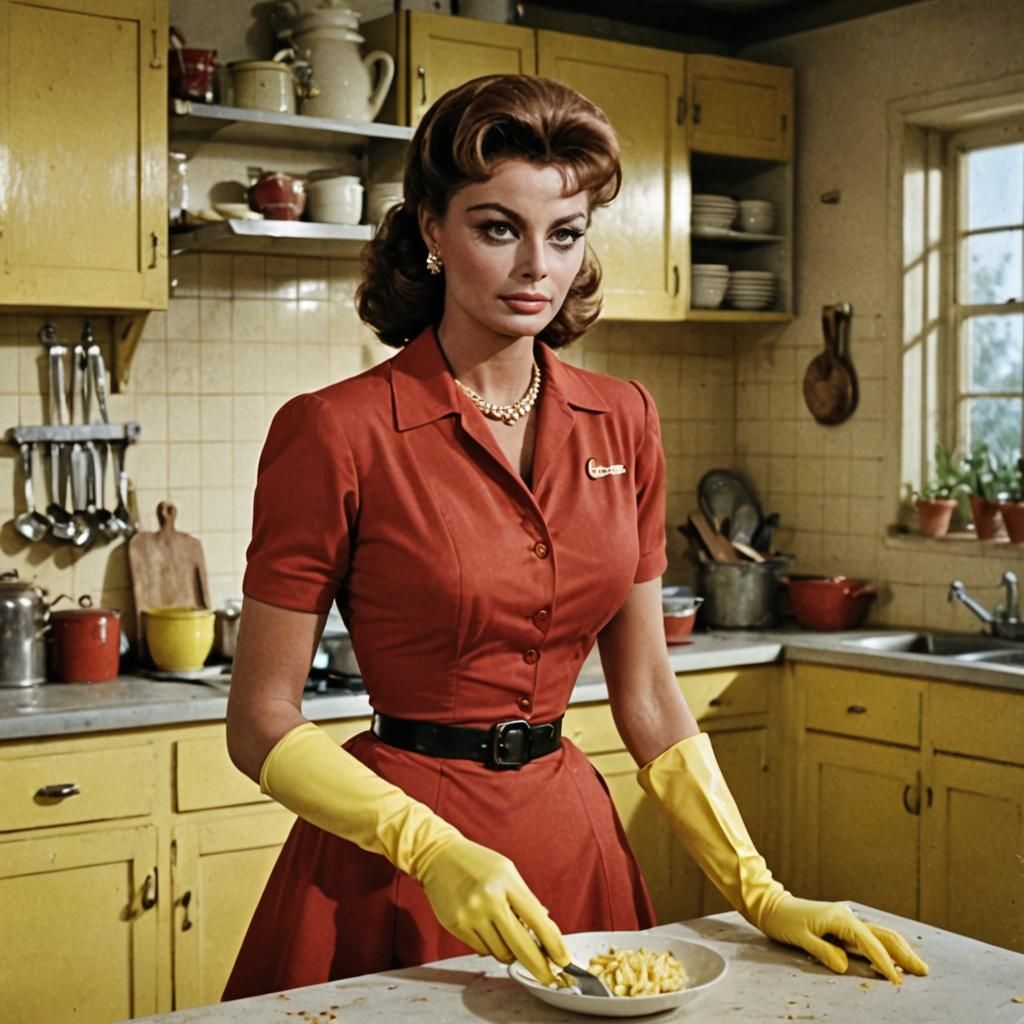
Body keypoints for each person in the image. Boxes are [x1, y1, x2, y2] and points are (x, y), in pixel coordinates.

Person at [222, 74, 928, 1000]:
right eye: (497, 227)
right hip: (394, 854)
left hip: (571, 837)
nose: (536, 269)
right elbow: (260, 718)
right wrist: (429, 848)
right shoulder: (336, 430)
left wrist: (762, 894)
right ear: (432, 230)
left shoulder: (622, 419)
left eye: (565, 234)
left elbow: (646, 695)